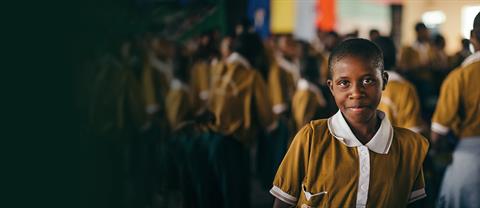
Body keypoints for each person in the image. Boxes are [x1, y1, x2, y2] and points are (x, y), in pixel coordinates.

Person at [270, 38, 429, 208]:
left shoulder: (409, 147)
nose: (356, 93)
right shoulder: (310, 138)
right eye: (344, 83)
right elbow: (283, 203)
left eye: (367, 80)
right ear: (331, 87)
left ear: (384, 81)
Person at [431, 12, 480, 208]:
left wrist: (437, 152)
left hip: (469, 162)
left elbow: (438, 133)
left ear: (472, 37)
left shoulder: (459, 78)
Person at [373, 36, 424, 134]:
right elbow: (412, 132)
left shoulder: (359, 87)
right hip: (395, 147)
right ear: (396, 57)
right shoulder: (405, 89)